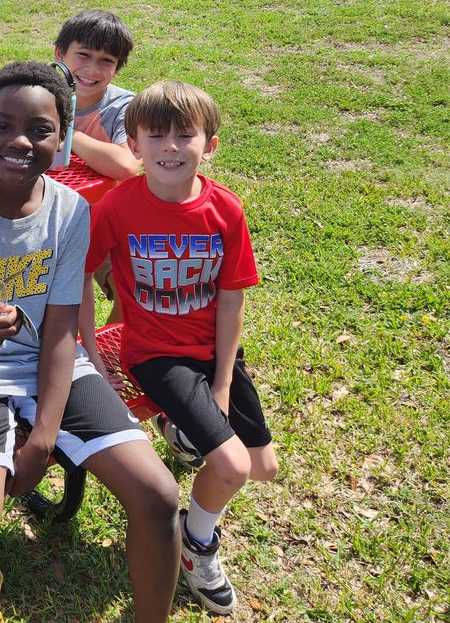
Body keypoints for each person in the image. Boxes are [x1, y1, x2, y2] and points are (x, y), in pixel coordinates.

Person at [0, 62, 180, 622]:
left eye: (40, 130)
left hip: (52, 363)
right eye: (3, 125)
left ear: (62, 137)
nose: (19, 141)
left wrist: (43, 437)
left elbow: (62, 328)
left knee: (159, 498)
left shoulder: (70, 211)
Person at [81, 81, 279, 616]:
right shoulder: (117, 207)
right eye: (156, 135)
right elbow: (77, 277)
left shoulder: (225, 211)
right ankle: (197, 546)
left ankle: (185, 431)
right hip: (155, 355)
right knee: (234, 467)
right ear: (135, 144)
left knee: (264, 467)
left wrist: (221, 381)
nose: (170, 146)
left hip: (215, 355)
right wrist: (93, 356)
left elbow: (233, 298)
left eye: (184, 135)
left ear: (209, 144)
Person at [53, 9, 140, 332]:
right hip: (43, 214)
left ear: (117, 68)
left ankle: (104, 355)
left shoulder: (122, 107)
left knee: (130, 286)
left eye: (106, 61)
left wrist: (66, 130)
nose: (91, 69)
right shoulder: (41, 93)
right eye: (84, 55)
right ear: (60, 54)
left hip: (101, 223)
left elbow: (127, 165)